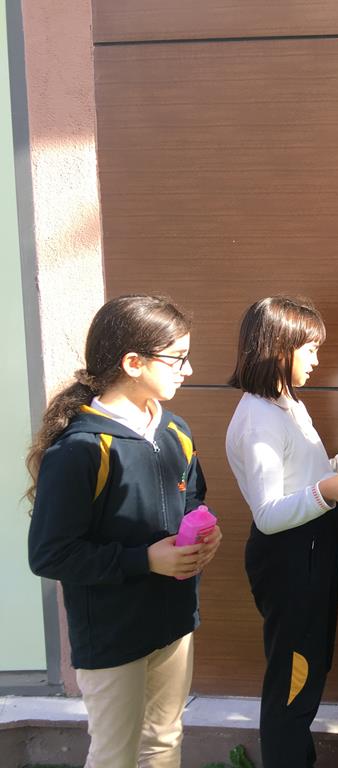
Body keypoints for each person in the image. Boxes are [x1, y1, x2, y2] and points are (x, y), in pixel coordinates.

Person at [27, 294, 223, 768]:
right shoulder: (80, 449)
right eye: (178, 358)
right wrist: (146, 560)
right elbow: (50, 554)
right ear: (133, 363)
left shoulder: (175, 430)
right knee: (115, 756)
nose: (189, 370)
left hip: (174, 621)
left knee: (164, 742)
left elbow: (192, 499)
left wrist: (203, 530)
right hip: (112, 634)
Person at [224, 296, 338, 768]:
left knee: (308, 671)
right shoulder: (258, 420)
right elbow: (268, 512)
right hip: (291, 562)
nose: (317, 359)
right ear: (280, 348)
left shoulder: (284, 404)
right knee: (293, 683)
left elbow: (303, 474)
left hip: (311, 554)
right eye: (310, 349)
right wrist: (328, 491)